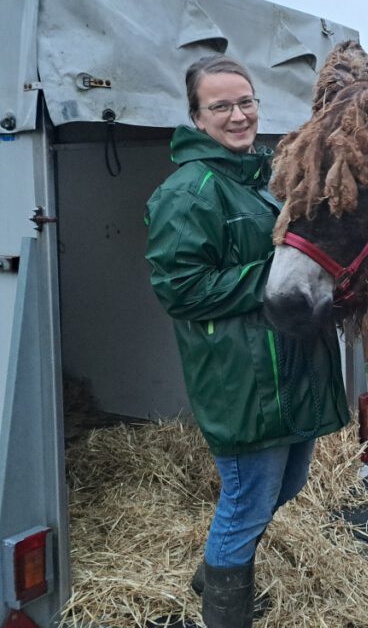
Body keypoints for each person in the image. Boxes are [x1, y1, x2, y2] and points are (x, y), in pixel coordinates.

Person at [144, 55, 349, 628]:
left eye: (246, 101)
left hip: (288, 367)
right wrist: (277, 279)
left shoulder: (260, 180)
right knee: (246, 503)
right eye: (222, 106)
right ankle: (225, 604)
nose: (239, 116)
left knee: (288, 484)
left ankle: (213, 577)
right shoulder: (190, 192)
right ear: (196, 116)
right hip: (244, 377)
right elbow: (180, 290)